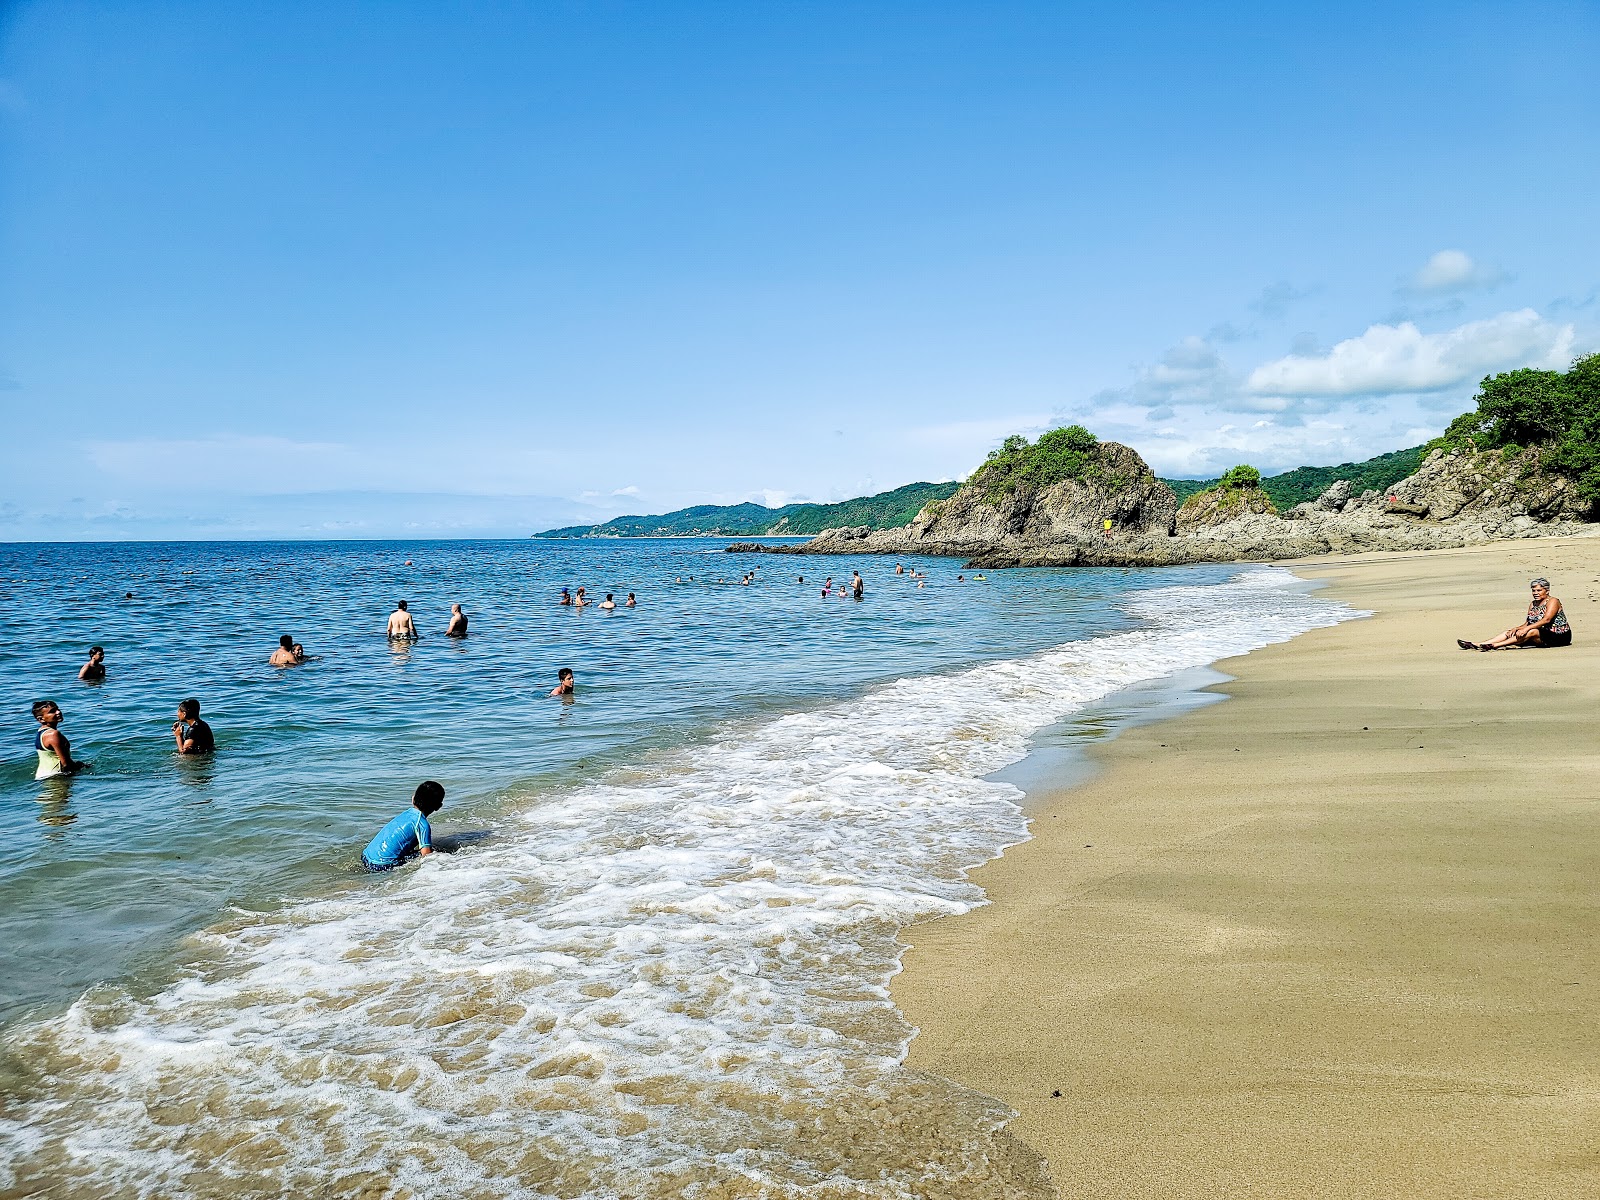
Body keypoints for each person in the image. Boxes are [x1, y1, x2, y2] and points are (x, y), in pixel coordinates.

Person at [1459, 578, 1573, 651]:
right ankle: (1479, 644)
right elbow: (1529, 622)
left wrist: (1525, 629)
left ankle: (1495, 646)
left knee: (1530, 631)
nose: (1535, 593)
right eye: (1534, 591)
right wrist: (1518, 628)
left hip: (1559, 635)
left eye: (1539, 590)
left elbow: (1546, 620)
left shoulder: (1553, 601)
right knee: (1510, 632)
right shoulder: (1533, 604)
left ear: (1547, 591)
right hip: (1540, 632)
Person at [361, 781, 444, 871]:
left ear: (413, 799)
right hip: (381, 866)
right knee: (436, 852)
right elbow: (426, 855)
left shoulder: (406, 814)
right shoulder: (422, 824)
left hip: (365, 857)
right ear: (438, 806)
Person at [32, 700, 87, 779]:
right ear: (41, 719)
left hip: (43, 776)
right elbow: (66, 764)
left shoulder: (41, 732)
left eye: (57, 709)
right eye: (52, 711)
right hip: (56, 777)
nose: (58, 712)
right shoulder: (53, 734)